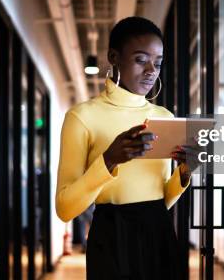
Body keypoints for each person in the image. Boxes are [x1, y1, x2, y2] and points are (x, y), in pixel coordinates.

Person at [55, 16, 200, 279]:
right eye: (141, 59)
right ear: (114, 57)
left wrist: (185, 172)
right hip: (110, 237)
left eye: (158, 63)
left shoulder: (164, 118)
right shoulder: (82, 117)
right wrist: (108, 160)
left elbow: (162, 199)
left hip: (159, 233)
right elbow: (65, 208)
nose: (151, 71)